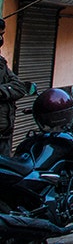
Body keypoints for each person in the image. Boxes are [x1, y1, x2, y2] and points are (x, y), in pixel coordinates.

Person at [0, 19, 32, 154]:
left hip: (4, 135)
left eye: (2, 34)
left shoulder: (1, 63)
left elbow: (19, 86)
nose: (1, 39)